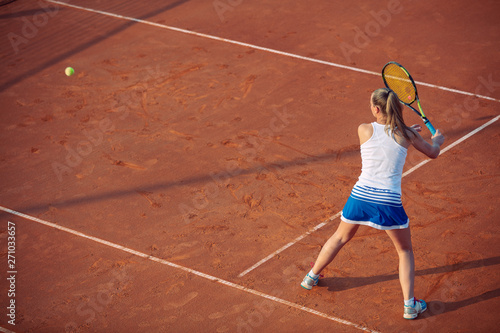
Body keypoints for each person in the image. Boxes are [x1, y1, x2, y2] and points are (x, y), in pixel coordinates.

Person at [301, 88, 445, 320]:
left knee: (339, 237)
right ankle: (410, 305)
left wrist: (408, 131)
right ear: (397, 108)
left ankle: (311, 276)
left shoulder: (363, 129)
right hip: (387, 203)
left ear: (376, 109)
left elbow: (384, 137)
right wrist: (435, 140)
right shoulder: (408, 135)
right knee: (404, 250)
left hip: (359, 197)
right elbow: (433, 153)